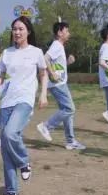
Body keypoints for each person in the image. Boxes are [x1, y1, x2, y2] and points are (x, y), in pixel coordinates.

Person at [0, 16, 48, 195]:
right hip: (6, 102)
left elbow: (43, 74)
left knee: (10, 133)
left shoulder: (36, 52)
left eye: (21, 29)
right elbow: (2, 77)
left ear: (28, 31)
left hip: (25, 100)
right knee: (5, 147)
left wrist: (43, 95)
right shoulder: (7, 53)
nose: (17, 32)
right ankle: (11, 189)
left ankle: (23, 161)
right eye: (14, 29)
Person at [36, 20, 86, 150]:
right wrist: (52, 73)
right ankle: (46, 126)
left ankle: (70, 141)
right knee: (70, 109)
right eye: (67, 31)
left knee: (67, 111)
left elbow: (57, 65)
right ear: (59, 32)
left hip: (60, 83)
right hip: (58, 85)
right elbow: (45, 58)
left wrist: (68, 62)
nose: (69, 33)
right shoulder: (57, 45)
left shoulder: (59, 46)